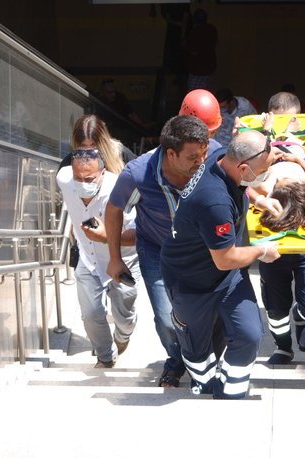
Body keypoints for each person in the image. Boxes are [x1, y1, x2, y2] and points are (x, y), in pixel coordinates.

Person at [160, 130, 281, 399]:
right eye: (264, 169)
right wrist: (262, 251)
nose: (267, 172)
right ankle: (203, 385)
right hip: (190, 279)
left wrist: (259, 199)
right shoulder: (214, 202)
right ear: (244, 167)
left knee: (248, 334)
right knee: (196, 349)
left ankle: (230, 393)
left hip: (227, 278)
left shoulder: (220, 157)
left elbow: (242, 182)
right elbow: (225, 258)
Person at [105, 115, 209, 388]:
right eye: (193, 157)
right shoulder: (138, 174)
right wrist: (115, 259)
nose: (201, 162)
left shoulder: (211, 163)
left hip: (201, 250)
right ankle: (176, 361)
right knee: (166, 318)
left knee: (204, 314)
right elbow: (114, 210)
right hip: (156, 250)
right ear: (171, 154)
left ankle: (201, 362)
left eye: (204, 154)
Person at [249, 93, 305, 365]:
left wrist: (297, 159)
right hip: (275, 235)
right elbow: (249, 181)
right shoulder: (266, 174)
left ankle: (303, 316)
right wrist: (268, 134)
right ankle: (283, 346)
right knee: (275, 305)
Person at [57, 149, 140, 368]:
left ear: (102, 174)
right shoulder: (64, 178)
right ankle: (105, 356)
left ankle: (123, 335)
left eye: (90, 178)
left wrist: (107, 236)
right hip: (88, 257)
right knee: (91, 314)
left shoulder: (118, 189)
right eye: (79, 178)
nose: (83, 183)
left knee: (124, 314)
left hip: (124, 259)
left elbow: (138, 234)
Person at [58, 114, 136, 173]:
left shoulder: (121, 154)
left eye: (94, 146)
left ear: (103, 143)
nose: (89, 151)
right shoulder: (68, 163)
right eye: (83, 147)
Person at [184, 9, 217, 91]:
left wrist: (185, 45)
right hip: (208, 66)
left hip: (197, 69)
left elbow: (194, 51)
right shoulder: (211, 29)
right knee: (204, 92)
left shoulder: (195, 32)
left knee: (193, 93)